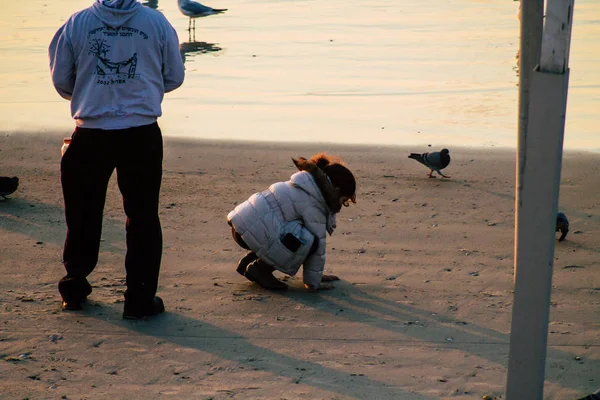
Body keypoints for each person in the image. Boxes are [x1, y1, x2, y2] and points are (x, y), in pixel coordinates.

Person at [49, 0, 185, 319]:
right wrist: (140, 91)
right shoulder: (157, 23)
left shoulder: (77, 23)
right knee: (142, 217)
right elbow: (174, 76)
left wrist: (94, 92)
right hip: (141, 131)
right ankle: (138, 299)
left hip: (91, 130)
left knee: (83, 213)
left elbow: (62, 81)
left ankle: (74, 288)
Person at [227, 153, 357, 291]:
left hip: (242, 227)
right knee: (308, 240)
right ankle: (260, 269)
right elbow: (317, 247)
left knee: (289, 231)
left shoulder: (305, 186)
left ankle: (249, 263)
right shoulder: (314, 203)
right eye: (344, 201)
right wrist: (314, 283)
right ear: (336, 191)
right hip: (253, 232)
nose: (343, 205)